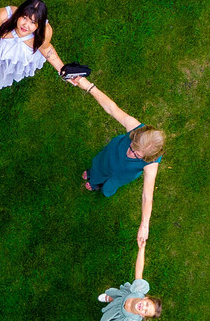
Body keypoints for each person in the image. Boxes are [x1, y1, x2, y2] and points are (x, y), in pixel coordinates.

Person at [67, 74, 164, 246]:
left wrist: (144, 225)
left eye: (138, 155)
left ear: (148, 157)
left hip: (121, 175)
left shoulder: (152, 165)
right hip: (109, 156)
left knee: (108, 187)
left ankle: (98, 185)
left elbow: (147, 196)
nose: (131, 152)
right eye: (133, 146)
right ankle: (93, 175)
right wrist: (88, 86)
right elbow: (111, 108)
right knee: (98, 166)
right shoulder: (136, 127)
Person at [99, 234, 162, 321]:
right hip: (123, 298)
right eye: (147, 304)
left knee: (111, 313)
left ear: (142, 315)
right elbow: (139, 270)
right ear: (146, 298)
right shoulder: (139, 291)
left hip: (120, 314)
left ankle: (110, 306)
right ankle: (110, 299)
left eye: (145, 311)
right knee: (116, 297)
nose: (143, 307)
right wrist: (141, 250)